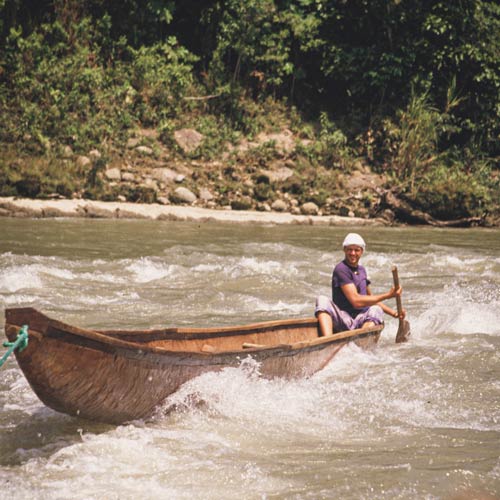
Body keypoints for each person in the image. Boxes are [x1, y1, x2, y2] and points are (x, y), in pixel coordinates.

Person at [315, 232, 405, 336]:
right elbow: (356, 301)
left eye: (356, 250)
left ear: (362, 251)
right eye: (349, 249)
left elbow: (370, 299)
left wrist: (394, 313)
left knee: (376, 309)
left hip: (361, 321)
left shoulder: (362, 270)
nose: (353, 253)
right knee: (321, 300)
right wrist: (388, 295)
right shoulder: (341, 269)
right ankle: (328, 341)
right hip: (344, 319)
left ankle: (361, 341)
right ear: (344, 250)